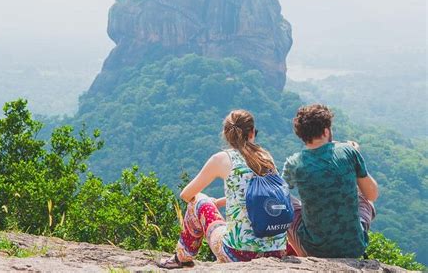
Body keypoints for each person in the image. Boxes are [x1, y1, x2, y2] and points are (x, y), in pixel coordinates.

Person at [159, 109, 287, 269]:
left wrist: (210, 202)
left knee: (197, 200)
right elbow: (259, 196)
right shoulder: (265, 157)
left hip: (238, 254)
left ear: (226, 134)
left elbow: (186, 195)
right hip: (276, 252)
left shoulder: (221, 159)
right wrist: (220, 202)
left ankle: (181, 258)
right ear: (252, 133)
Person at [282, 104, 378, 258]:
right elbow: (372, 194)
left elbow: (280, 194)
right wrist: (355, 154)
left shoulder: (294, 163)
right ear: (326, 131)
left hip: (313, 250)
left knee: (284, 199)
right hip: (353, 248)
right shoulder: (348, 151)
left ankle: (303, 255)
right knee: (364, 197)